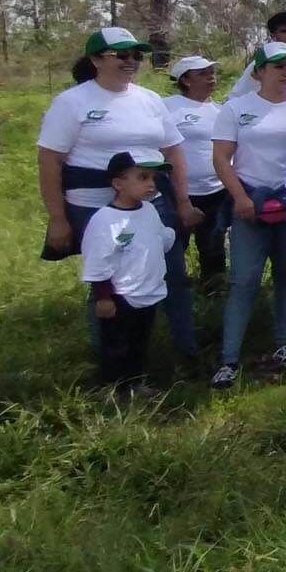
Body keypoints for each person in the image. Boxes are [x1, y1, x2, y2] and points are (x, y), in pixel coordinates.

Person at [37, 27, 201, 366]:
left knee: (170, 272)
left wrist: (183, 201)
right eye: (122, 55)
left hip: (151, 201)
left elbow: (173, 151)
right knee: (108, 281)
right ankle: (112, 363)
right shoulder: (72, 102)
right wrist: (58, 218)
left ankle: (186, 351)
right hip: (94, 203)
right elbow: (50, 160)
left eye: (136, 56)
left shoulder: (149, 100)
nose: (131, 62)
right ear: (96, 60)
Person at [209, 41, 286, 391]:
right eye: (279, 66)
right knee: (243, 280)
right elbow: (222, 157)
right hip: (249, 201)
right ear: (259, 71)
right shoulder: (237, 109)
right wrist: (238, 196)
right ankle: (229, 357)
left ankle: (285, 343)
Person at [80, 152, 176, 397]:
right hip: (119, 295)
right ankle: (111, 388)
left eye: (153, 178)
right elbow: (98, 258)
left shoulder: (149, 212)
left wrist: (178, 231)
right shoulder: (104, 220)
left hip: (147, 291)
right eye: (142, 178)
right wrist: (103, 296)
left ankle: (135, 383)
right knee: (115, 346)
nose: (151, 184)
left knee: (139, 343)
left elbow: (161, 239)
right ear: (118, 183)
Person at [164, 55, 228, 288]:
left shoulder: (221, 110)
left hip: (216, 192)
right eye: (203, 73)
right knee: (173, 246)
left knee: (213, 247)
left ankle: (213, 292)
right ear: (186, 80)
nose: (211, 77)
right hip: (177, 192)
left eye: (212, 72)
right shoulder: (168, 107)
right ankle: (172, 292)